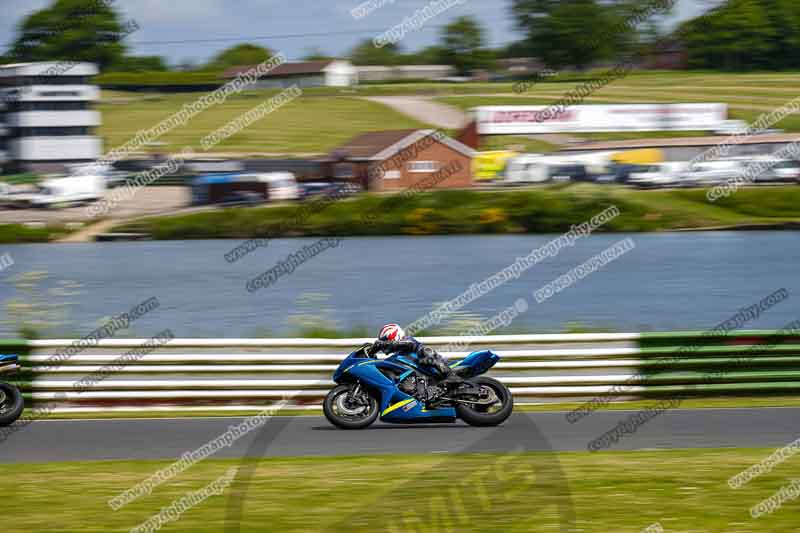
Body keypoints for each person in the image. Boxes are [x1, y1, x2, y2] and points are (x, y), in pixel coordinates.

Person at [369, 324, 462, 387]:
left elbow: (409, 343)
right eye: (384, 341)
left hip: (439, 369)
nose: (385, 343)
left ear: (393, 334)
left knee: (425, 351)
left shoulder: (408, 341)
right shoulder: (396, 357)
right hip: (424, 381)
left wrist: (383, 344)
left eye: (385, 339)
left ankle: (450, 375)